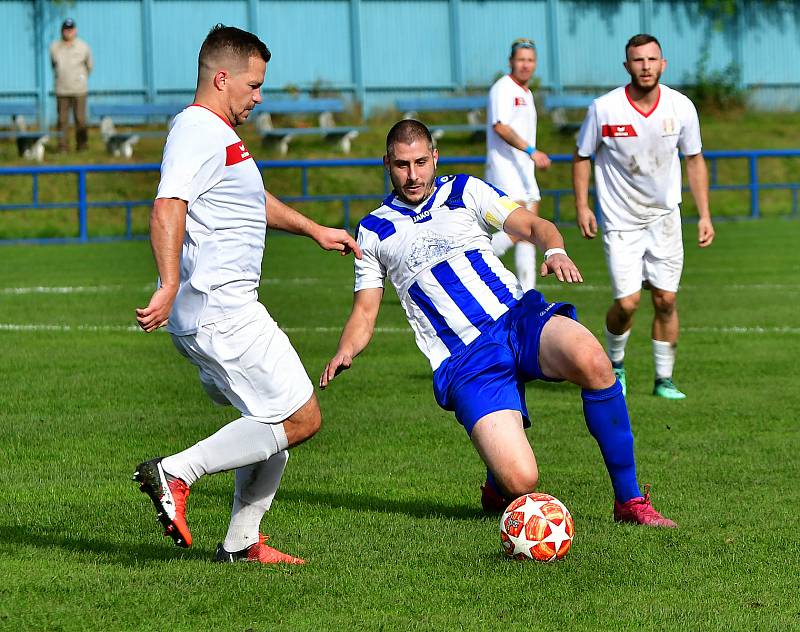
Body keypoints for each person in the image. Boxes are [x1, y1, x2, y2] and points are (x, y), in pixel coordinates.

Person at [320, 119, 676, 528]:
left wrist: (554, 250)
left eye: (421, 162)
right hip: (465, 360)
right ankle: (497, 481)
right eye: (402, 165)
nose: (413, 175)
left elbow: (532, 225)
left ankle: (630, 502)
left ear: (436, 157)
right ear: (387, 163)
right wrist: (346, 350)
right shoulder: (373, 230)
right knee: (523, 480)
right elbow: (365, 311)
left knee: (593, 359)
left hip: (516, 318)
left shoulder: (465, 191)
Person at [133, 24, 360, 565]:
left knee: (278, 413)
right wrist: (167, 284)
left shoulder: (218, 136)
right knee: (300, 417)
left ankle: (241, 543)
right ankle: (176, 472)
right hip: (220, 310)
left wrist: (313, 230)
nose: (258, 97)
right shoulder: (196, 129)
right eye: (253, 85)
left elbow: (251, 200)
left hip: (226, 309)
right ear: (221, 77)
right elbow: (168, 205)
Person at [572, 33, 715, 400]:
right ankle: (615, 366)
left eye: (652, 60)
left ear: (663, 64)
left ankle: (663, 380)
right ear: (627, 66)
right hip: (621, 222)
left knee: (666, 300)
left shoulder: (681, 107)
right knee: (627, 303)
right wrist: (583, 206)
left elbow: (694, 159)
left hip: (665, 219)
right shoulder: (604, 108)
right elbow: (582, 156)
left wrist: (704, 214)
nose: (646, 66)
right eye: (638, 60)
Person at [485, 37, 551, 292]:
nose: (526, 65)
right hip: (504, 169)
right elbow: (500, 125)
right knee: (520, 227)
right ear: (511, 61)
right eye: (521, 59)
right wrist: (531, 151)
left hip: (524, 171)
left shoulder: (527, 92)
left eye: (530, 60)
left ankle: (528, 291)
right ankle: (467, 259)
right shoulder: (503, 88)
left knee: (530, 230)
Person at [50, 18, 93, 152]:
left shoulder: (83, 46)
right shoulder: (54, 47)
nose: (68, 32)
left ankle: (82, 146)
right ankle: (63, 147)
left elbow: (89, 66)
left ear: (75, 30)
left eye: (70, 29)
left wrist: (80, 79)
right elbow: (54, 65)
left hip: (79, 90)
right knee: (62, 121)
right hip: (62, 90)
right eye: (65, 29)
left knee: (80, 120)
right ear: (62, 31)